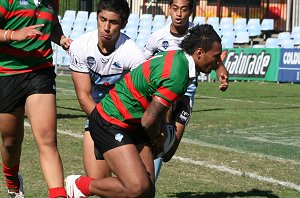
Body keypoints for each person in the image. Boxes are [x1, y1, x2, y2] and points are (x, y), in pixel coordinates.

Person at [65, 24, 224, 198]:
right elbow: (149, 120)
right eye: (216, 57)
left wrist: (160, 131)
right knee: (137, 187)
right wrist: (157, 137)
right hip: (111, 121)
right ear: (199, 53)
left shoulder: (177, 57)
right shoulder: (178, 75)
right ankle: (81, 185)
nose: (218, 62)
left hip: (133, 122)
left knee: (147, 191)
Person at [143, 0, 229, 181]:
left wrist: (221, 72)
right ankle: (149, 183)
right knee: (159, 137)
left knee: (168, 151)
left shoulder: (200, 36)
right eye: (175, 9)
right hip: (164, 91)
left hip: (186, 94)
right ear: (169, 10)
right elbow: (142, 63)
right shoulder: (157, 37)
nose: (179, 14)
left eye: (183, 9)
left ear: (190, 11)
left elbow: (215, 59)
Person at [0, 0, 72, 197]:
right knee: (10, 142)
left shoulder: (52, 2)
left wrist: (62, 39)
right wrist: (13, 34)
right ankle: (13, 182)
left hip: (41, 72)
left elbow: (53, 25)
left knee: (48, 140)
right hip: (7, 74)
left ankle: (58, 194)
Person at [68, 0, 146, 179]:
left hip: (128, 120)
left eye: (113, 22)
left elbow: (140, 98)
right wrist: (105, 127)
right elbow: (84, 96)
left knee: (140, 186)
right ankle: (78, 186)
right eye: (102, 19)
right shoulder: (80, 47)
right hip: (97, 117)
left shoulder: (134, 55)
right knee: (99, 181)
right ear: (96, 17)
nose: (106, 27)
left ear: (124, 24)